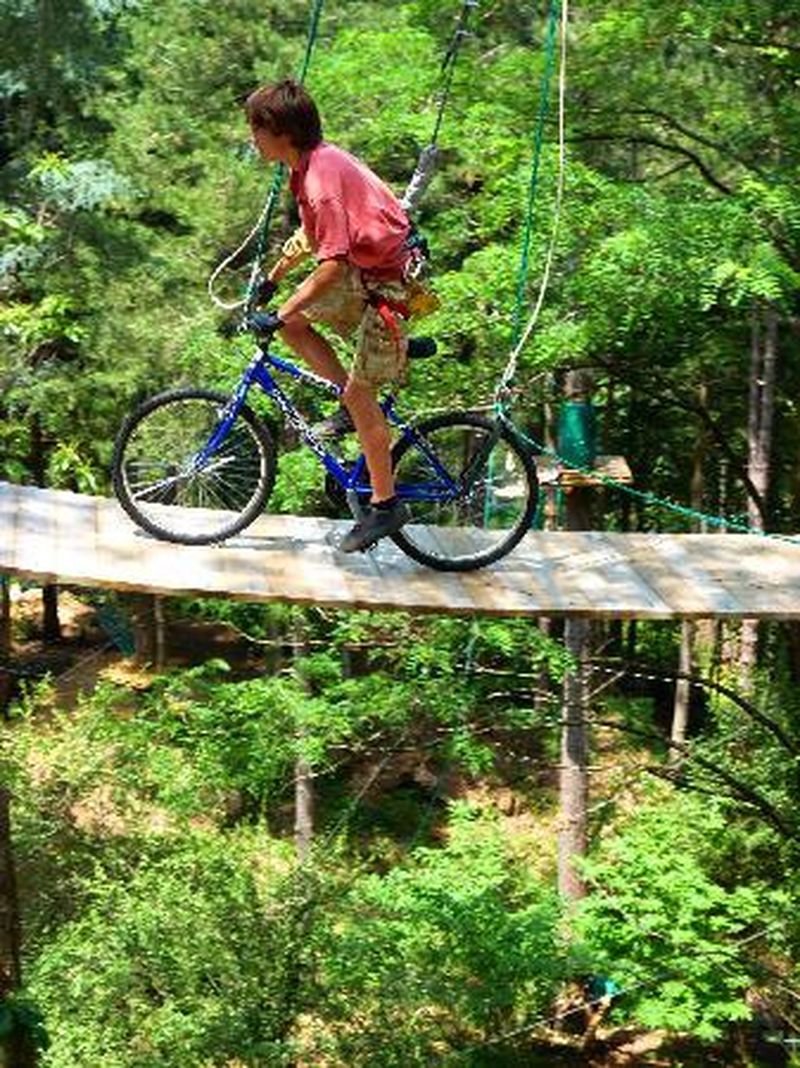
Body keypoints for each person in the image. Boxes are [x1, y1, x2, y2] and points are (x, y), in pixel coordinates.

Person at [245, 78, 413, 553]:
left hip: (386, 288)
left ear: (281, 132)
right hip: (366, 277)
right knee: (296, 326)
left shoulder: (319, 179)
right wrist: (274, 279)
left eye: (256, 129)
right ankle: (348, 404)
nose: (252, 139)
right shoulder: (308, 167)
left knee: (360, 394)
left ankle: (386, 505)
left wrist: (281, 310)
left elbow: (333, 264)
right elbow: (311, 237)